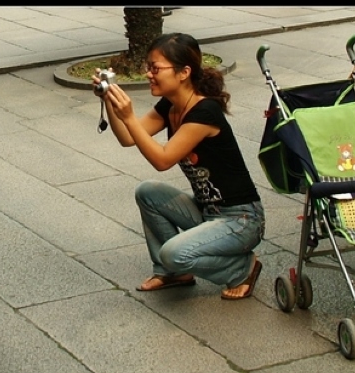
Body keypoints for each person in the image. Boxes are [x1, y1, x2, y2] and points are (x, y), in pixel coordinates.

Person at [92, 32, 265, 300]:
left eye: (156, 68)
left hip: (241, 219)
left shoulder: (205, 113)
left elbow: (162, 160)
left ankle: (241, 269)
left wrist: (128, 116)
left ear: (184, 72)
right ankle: (172, 273)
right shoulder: (170, 105)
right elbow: (128, 138)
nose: (149, 74)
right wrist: (111, 103)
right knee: (148, 192)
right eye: (148, 67)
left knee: (174, 253)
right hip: (209, 211)